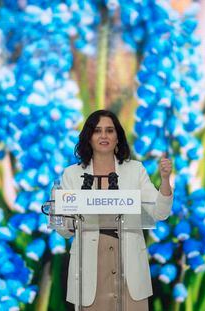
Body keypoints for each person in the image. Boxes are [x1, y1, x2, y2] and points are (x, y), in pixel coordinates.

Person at [57, 110, 173, 310]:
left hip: (129, 267)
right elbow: (64, 230)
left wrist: (164, 180)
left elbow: (159, 213)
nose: (104, 136)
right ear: (89, 138)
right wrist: (59, 210)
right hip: (89, 268)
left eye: (110, 130)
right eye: (97, 131)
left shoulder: (135, 170)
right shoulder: (72, 174)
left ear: (118, 137)